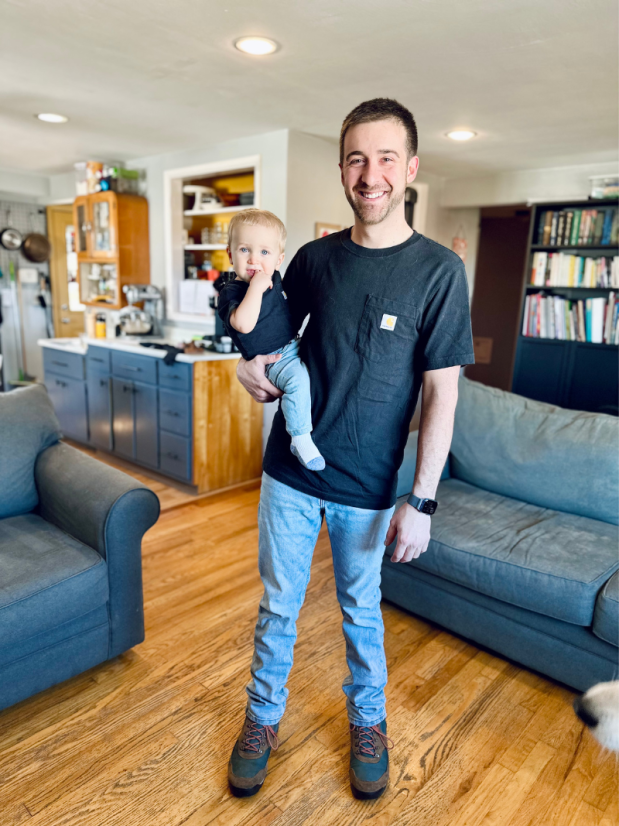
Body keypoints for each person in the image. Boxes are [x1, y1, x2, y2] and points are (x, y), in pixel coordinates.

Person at [227, 98, 475, 801]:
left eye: (386, 157)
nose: (371, 174)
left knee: (361, 615)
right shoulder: (311, 259)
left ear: (411, 167)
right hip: (288, 477)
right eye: (357, 158)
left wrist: (420, 501)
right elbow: (265, 337)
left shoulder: (437, 272)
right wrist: (247, 368)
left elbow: (441, 396)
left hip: (367, 490)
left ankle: (369, 723)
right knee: (278, 608)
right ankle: (261, 720)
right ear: (341, 169)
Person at [218, 209, 324, 471]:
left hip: (293, 346)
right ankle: (300, 437)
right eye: (244, 250)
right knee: (298, 382)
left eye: (265, 252)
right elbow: (243, 323)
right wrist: (255, 287)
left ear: (279, 259)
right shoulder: (231, 292)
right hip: (274, 357)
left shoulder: (275, 278)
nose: (254, 259)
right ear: (230, 254)